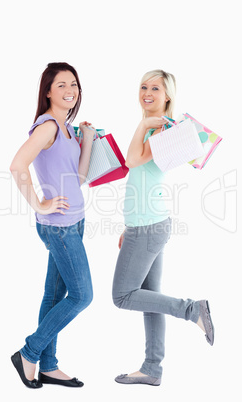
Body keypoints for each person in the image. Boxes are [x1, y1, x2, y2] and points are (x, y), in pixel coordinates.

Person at [112, 69, 214, 386]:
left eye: (155, 88)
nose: (147, 93)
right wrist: (129, 226)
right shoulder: (156, 129)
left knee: (123, 296)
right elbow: (140, 176)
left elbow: (130, 161)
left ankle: (191, 309)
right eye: (143, 87)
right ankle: (152, 368)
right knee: (148, 297)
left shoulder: (161, 131)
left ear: (167, 95)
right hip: (147, 224)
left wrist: (144, 123)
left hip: (148, 227)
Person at [10, 62, 95, 389]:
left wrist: (86, 138)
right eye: (61, 85)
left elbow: (80, 178)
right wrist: (39, 202)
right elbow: (17, 165)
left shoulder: (68, 129)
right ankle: (29, 352)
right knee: (82, 295)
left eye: (73, 84)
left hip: (76, 220)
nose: (70, 90)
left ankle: (48, 366)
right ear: (47, 91)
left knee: (55, 294)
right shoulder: (46, 126)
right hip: (57, 225)